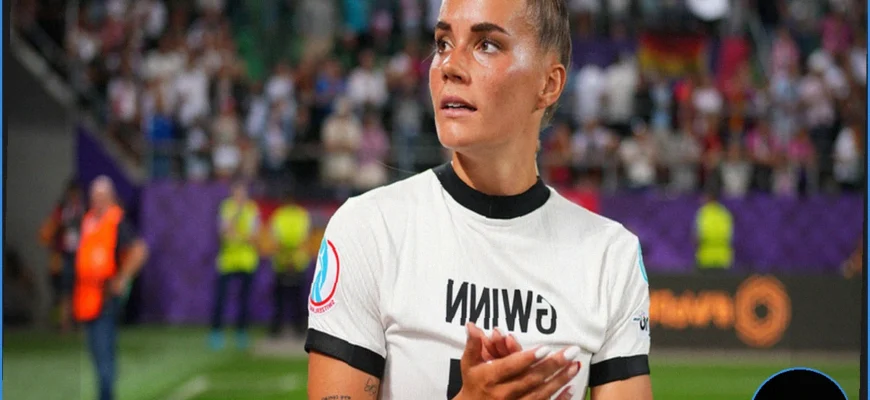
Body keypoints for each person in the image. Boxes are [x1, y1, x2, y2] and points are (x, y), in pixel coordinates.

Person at [305, 1, 653, 399]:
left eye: (487, 44)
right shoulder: (368, 229)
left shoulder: (610, 255)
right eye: (442, 43)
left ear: (549, 83)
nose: (448, 65)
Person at [73, 176, 148, 400]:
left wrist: (123, 278)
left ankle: (106, 396)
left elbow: (139, 250)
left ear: (111, 197)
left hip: (105, 296)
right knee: (96, 353)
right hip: (87, 298)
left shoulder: (117, 221)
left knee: (105, 351)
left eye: (102, 196)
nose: (97, 200)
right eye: (95, 196)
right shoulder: (87, 221)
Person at [210, 180, 261, 350]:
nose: (240, 195)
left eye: (242, 191)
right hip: (227, 261)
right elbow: (224, 233)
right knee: (221, 298)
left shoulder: (252, 209)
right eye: (237, 191)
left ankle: (241, 332)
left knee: (244, 299)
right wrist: (237, 223)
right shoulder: (227, 207)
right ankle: (216, 332)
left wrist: (239, 235)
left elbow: (254, 236)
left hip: (246, 261)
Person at [40, 180, 86, 333]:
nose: (74, 197)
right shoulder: (62, 210)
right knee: (64, 290)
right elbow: (47, 232)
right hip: (65, 255)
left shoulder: (83, 209)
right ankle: (65, 322)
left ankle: (79, 321)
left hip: (81, 254)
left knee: (80, 289)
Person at [267, 189, 313, 337]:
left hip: (285, 260)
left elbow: (277, 236)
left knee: (286, 298)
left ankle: (281, 328)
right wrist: (291, 250)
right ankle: (296, 327)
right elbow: (302, 236)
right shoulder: (300, 215)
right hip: (295, 260)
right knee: (292, 298)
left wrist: (286, 250)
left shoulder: (280, 215)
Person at [694, 191, 734, 272]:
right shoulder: (724, 214)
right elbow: (730, 236)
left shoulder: (703, 213)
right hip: (722, 257)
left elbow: (697, 237)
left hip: (705, 257)